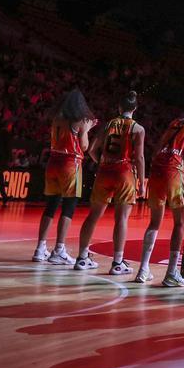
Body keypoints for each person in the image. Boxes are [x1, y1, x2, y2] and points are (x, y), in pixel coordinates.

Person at [134, 103, 184, 287]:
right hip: (174, 169)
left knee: (154, 221)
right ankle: (171, 273)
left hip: (157, 168)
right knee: (180, 222)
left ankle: (143, 270)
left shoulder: (175, 122)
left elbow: (158, 146)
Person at [75, 91, 145, 276]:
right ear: (135, 109)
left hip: (105, 172)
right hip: (124, 173)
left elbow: (91, 150)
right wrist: (141, 183)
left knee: (93, 215)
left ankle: (82, 258)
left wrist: (103, 162)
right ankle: (117, 262)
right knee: (121, 219)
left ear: (119, 107)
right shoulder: (138, 128)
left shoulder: (108, 124)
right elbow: (139, 157)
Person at [32, 89, 97, 264]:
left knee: (51, 206)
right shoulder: (80, 120)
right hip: (70, 164)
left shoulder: (56, 119)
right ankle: (59, 249)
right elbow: (84, 147)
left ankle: (40, 248)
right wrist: (88, 129)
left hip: (53, 162)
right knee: (68, 207)